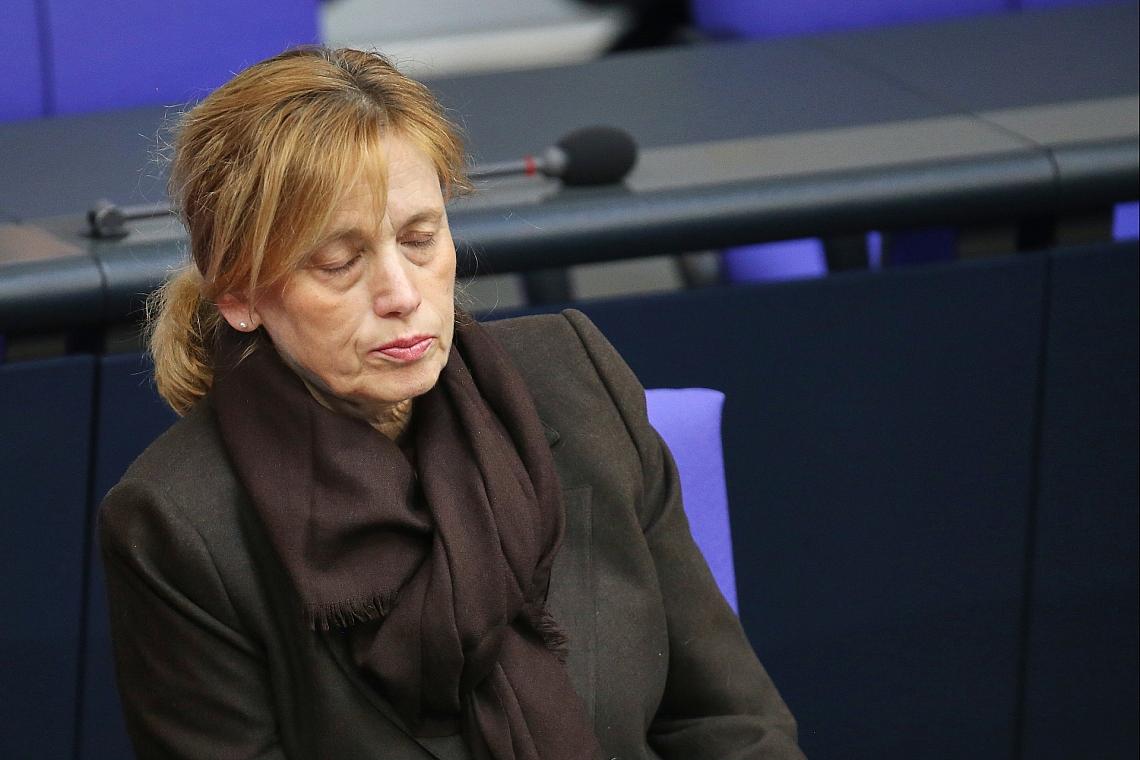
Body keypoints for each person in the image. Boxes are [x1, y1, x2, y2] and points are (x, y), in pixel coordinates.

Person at [99, 47, 804, 760]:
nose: (401, 294)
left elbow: (730, 723)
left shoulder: (577, 380)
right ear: (239, 296)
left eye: (419, 239)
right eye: (339, 262)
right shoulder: (177, 527)